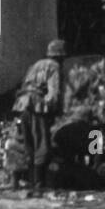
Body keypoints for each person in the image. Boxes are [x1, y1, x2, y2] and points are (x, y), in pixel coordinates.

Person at [13, 39, 66, 193]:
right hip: (37, 106)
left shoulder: (35, 65)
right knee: (42, 145)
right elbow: (54, 92)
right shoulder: (54, 66)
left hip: (23, 105)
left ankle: (30, 182)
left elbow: (23, 85)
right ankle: (39, 185)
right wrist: (54, 110)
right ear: (60, 57)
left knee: (29, 145)